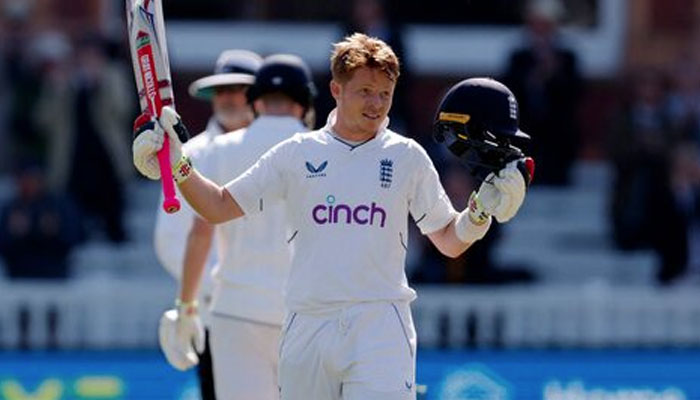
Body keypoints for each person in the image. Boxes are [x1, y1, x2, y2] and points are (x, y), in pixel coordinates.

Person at [134, 33, 528, 399]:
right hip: (307, 324)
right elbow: (217, 206)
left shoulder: (407, 156)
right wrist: (178, 162)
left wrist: (480, 212)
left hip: (380, 324)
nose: (376, 104)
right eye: (365, 92)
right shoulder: (296, 153)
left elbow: (448, 239)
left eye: (385, 94)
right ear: (336, 90)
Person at [158, 54, 316, 400]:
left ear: (255, 101)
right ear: (304, 102)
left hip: (236, 310)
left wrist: (186, 306)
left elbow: (200, 233)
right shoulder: (325, 152)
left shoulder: (219, 151)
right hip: (305, 311)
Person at [152, 49, 262, 400]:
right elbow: (172, 237)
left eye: (238, 89)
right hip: (218, 314)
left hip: (277, 310)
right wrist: (209, 292)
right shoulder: (191, 155)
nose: (229, 98)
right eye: (222, 90)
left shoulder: (285, 151)